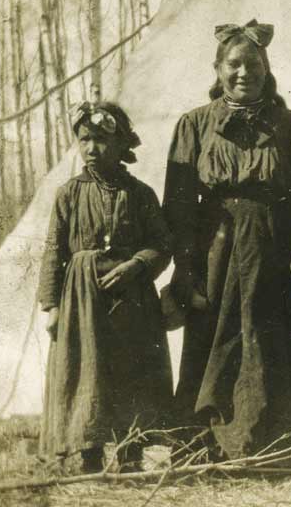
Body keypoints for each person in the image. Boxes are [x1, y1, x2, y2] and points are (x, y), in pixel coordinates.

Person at [163, 19, 291, 457]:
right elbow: (177, 204)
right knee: (213, 333)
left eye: (252, 64)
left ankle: (267, 444)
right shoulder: (194, 124)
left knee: (268, 333)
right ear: (217, 69)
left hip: (272, 246)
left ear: (266, 68)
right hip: (214, 243)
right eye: (233, 64)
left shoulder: (289, 124)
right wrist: (186, 264)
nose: (243, 73)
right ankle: (203, 441)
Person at [38, 101, 172, 473]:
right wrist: (51, 306)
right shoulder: (68, 193)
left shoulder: (141, 194)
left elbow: (163, 244)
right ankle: (89, 457)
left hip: (134, 302)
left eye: (100, 140)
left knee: (133, 370)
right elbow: (53, 249)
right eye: (84, 140)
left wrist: (137, 264)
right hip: (82, 299)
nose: (91, 148)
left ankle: (131, 456)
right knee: (87, 371)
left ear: (121, 144)